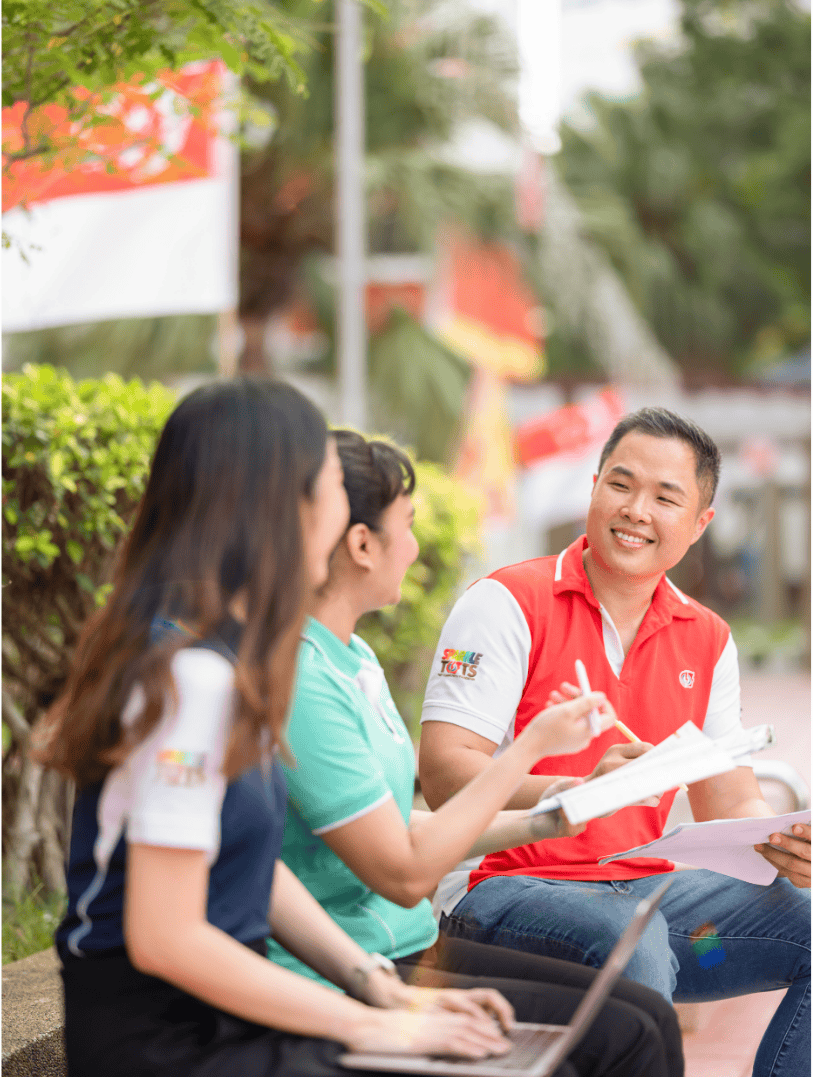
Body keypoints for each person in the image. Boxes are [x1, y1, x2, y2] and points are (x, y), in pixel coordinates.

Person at [36, 379, 538, 1077]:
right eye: (331, 484)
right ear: (280, 505)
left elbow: (250, 866)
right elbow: (165, 937)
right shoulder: (191, 679)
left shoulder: (223, 656)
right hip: (171, 1046)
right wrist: (372, 1025)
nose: (343, 513)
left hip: (220, 1023)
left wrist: (380, 989)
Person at [268, 427, 684, 1077]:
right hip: (358, 966)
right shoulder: (302, 677)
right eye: (408, 525)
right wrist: (534, 745)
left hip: (403, 949)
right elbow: (406, 867)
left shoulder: (354, 656)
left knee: (645, 1019)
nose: (415, 548)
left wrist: (560, 807)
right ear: (361, 545)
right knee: (622, 1033)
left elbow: (396, 827)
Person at [418, 407, 810, 1077]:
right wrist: (578, 790)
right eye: (621, 484)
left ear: (700, 523)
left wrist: (785, 842)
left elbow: (728, 801)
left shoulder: (707, 638)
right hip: (498, 891)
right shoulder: (506, 602)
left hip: (656, 905)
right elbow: (444, 776)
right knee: (635, 942)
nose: (635, 510)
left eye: (665, 497)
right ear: (593, 487)